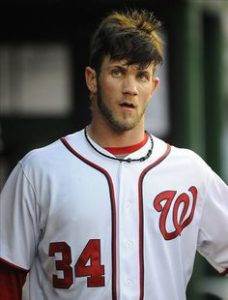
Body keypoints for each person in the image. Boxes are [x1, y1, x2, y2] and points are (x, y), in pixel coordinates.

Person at [0, 8, 227, 300]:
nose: (130, 88)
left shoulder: (189, 171)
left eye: (142, 76)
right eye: (118, 71)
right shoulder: (38, 170)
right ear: (92, 80)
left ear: (153, 87)